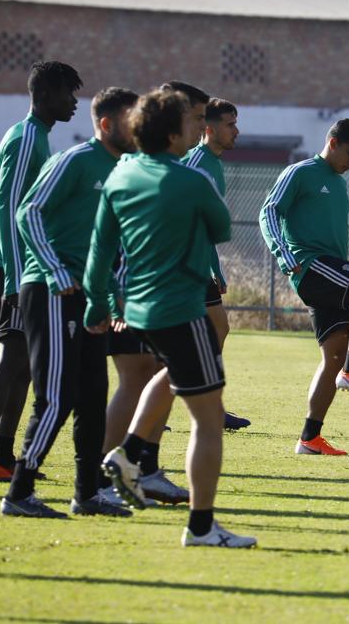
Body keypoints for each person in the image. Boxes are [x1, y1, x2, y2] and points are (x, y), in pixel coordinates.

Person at [89, 88, 255, 547]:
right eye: (190, 121)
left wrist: (96, 304)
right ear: (171, 130)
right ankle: (201, 527)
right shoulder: (191, 181)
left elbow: (101, 248)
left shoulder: (121, 173)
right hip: (181, 309)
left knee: (166, 378)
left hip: (137, 310)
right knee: (206, 417)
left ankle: (132, 453)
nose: (196, 128)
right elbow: (220, 228)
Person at [0, 87, 134, 519]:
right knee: (56, 397)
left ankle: (86, 494)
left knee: (95, 396)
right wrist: (54, 268)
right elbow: (28, 212)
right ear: (107, 124)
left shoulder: (122, 171)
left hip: (89, 298)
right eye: (133, 121)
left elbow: (110, 244)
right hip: (53, 291)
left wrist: (116, 294)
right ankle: (18, 494)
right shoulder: (75, 160)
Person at [95, 81, 210, 507]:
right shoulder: (136, 166)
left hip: (152, 292)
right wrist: (108, 297)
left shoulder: (170, 166)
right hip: (136, 293)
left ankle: (141, 468)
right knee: (137, 377)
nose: (202, 127)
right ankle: (105, 474)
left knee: (158, 375)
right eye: (197, 118)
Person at [0, 61, 80, 482]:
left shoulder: (41, 137)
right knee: (10, 357)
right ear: (47, 94)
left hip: (25, 267)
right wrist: (15, 277)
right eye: (69, 93)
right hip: (12, 267)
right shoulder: (26, 137)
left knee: (26, 365)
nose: (74, 101)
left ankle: (3, 457)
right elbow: (7, 211)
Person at [259, 119, 349, 455]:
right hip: (310, 265)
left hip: (328, 270)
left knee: (332, 355)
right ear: (332, 143)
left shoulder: (339, 183)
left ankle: (309, 438)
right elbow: (269, 211)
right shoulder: (300, 172)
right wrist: (284, 255)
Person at [183, 98, 252, 432]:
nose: (236, 131)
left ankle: (211, 405)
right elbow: (193, 219)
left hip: (200, 262)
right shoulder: (197, 162)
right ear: (209, 129)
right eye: (230, 124)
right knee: (182, 338)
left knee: (216, 329)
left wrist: (216, 268)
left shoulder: (213, 162)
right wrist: (211, 268)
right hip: (185, 263)